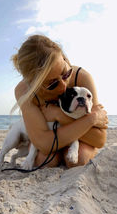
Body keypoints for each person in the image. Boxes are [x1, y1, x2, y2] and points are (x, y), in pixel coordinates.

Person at [12, 34, 108, 169]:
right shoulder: (24, 91)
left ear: (65, 58)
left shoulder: (81, 77)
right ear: (34, 84)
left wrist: (59, 115)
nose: (63, 86)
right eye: (52, 84)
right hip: (50, 140)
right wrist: (89, 120)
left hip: (76, 139)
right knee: (47, 161)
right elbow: (44, 143)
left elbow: (99, 139)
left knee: (79, 159)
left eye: (65, 74)